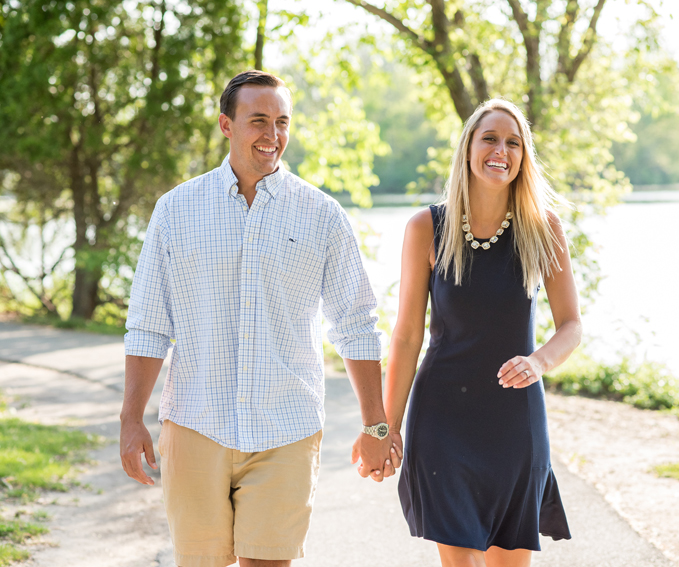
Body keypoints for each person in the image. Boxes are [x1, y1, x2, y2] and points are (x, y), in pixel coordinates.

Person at [119, 70, 395, 567]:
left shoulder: (322, 215)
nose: (272, 135)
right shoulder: (176, 210)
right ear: (227, 124)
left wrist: (376, 426)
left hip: (285, 428)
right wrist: (130, 418)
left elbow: (355, 323)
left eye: (283, 122)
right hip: (195, 422)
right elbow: (149, 323)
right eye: (259, 120)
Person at [384, 98, 581, 567]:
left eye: (514, 142)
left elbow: (571, 325)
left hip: (515, 423)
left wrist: (539, 361)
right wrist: (386, 427)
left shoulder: (543, 229)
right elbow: (407, 337)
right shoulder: (426, 228)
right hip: (442, 422)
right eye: (489, 138)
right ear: (468, 148)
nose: (501, 150)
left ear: (524, 156)